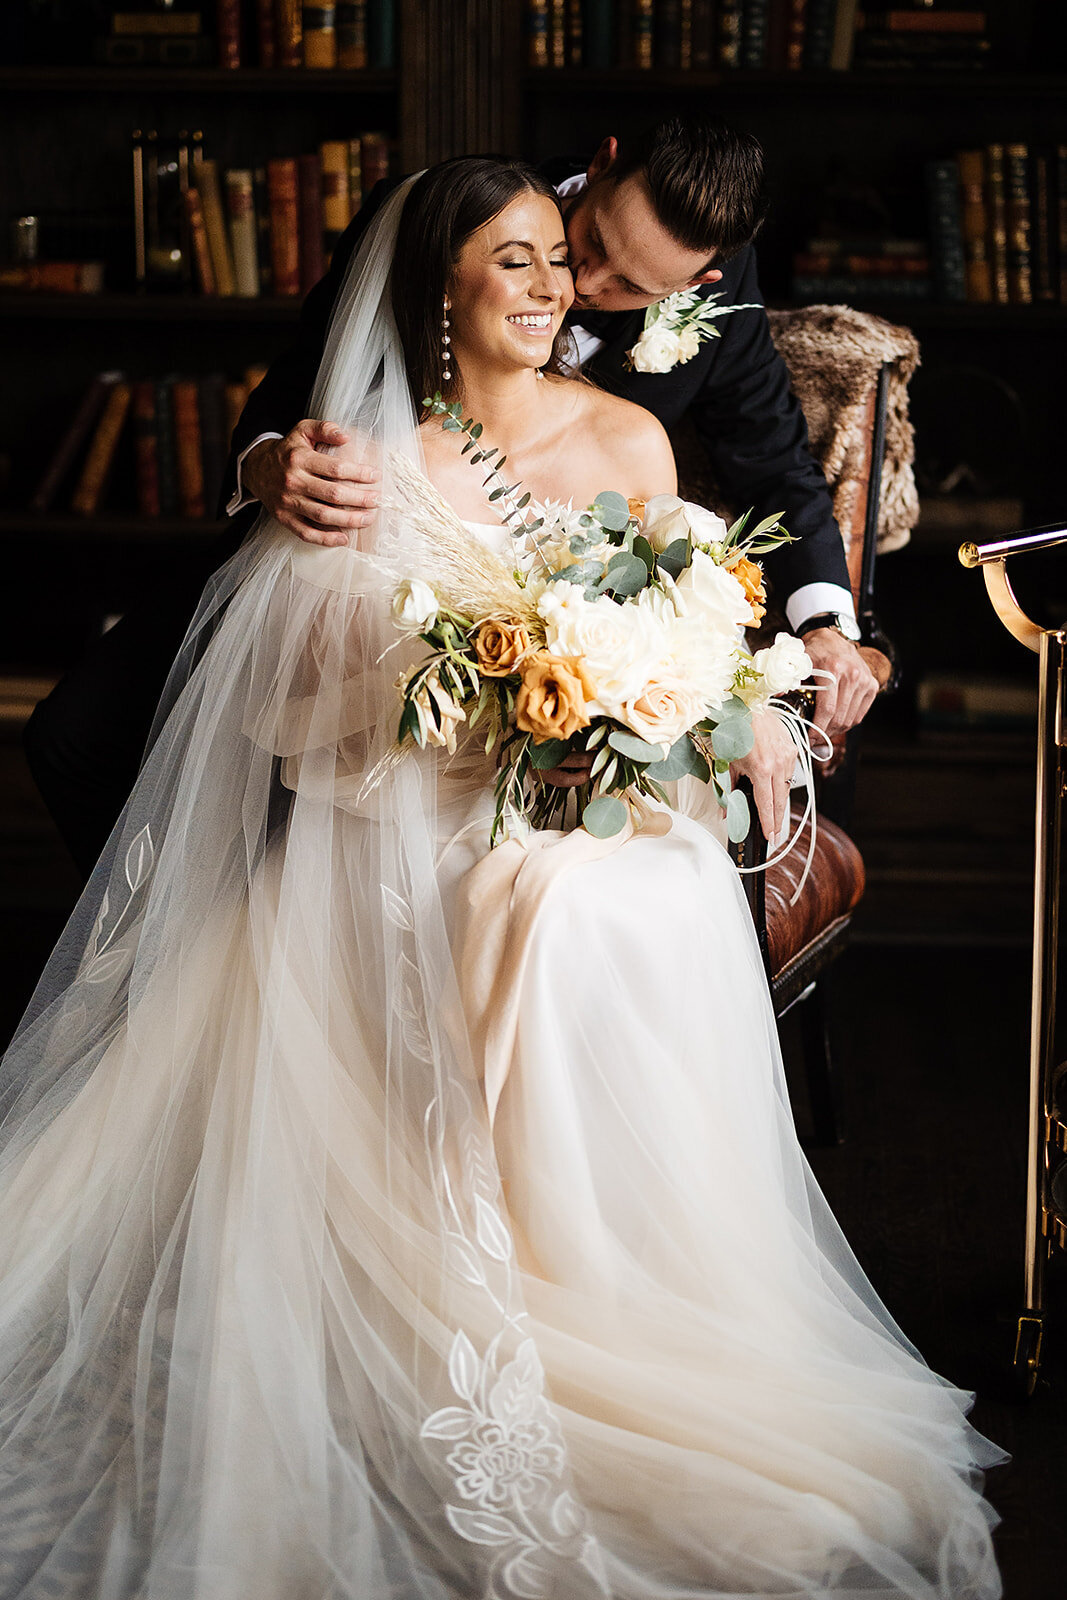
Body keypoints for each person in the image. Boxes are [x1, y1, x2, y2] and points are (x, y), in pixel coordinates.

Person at [0, 158, 1000, 1600]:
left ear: (685, 291)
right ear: (448, 283)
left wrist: (701, 689)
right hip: (417, 782)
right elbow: (309, 676)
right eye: (534, 258)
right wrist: (291, 492)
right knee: (489, 893)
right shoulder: (371, 453)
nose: (563, 289)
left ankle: (633, 1286)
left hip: (599, 795)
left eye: (579, 272)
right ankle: (453, 1254)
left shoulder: (649, 413)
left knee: (619, 897)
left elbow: (731, 560)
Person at [24, 117, 878, 877]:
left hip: (548, 617)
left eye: (629, 287)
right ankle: (186, 946)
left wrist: (826, 628)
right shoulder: (439, 213)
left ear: (694, 285)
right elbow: (299, 382)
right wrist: (265, 465)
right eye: (589, 245)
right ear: (603, 162)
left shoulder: (719, 304)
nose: (575, 285)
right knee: (75, 739)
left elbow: (774, 471)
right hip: (347, 552)